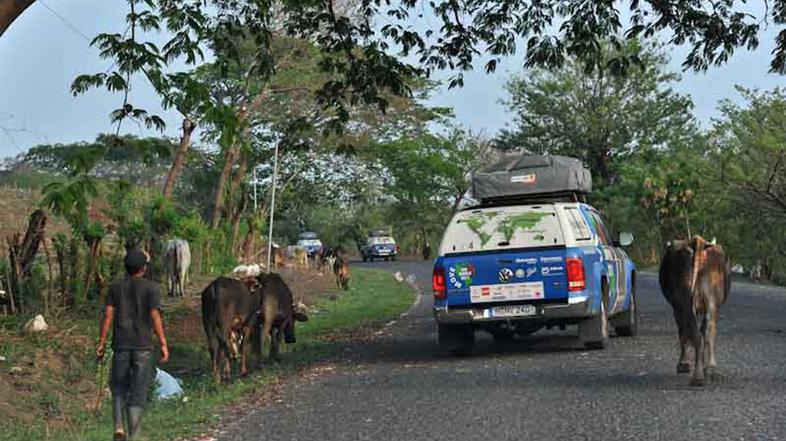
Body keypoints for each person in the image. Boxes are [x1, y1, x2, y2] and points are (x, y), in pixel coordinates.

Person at [97, 249, 169, 441]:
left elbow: (108, 316)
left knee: (118, 387)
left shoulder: (115, 288)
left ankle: (119, 427)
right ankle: (135, 435)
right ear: (143, 268)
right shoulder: (152, 288)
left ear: (126, 268)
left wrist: (101, 343)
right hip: (143, 347)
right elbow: (155, 317)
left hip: (120, 344)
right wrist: (163, 343)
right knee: (138, 390)